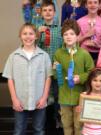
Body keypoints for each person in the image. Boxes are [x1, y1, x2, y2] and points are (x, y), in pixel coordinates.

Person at [2, 23, 52, 135]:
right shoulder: (13, 56)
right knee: (19, 130)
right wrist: (14, 99)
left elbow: (47, 78)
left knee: (39, 130)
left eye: (31, 34)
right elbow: (10, 79)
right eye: (25, 34)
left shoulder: (44, 56)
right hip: (20, 101)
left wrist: (44, 98)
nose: (28, 36)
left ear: (36, 36)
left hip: (39, 100)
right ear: (20, 36)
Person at [53, 19, 94, 135]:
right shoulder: (58, 54)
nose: (68, 37)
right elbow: (56, 76)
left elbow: (91, 72)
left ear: (77, 35)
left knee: (79, 126)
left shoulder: (84, 54)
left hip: (79, 98)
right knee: (66, 125)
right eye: (65, 34)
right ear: (62, 37)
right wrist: (56, 70)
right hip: (64, 97)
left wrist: (80, 78)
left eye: (71, 33)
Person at [37, 0, 62, 128]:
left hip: (57, 69)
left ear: (54, 13)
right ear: (41, 13)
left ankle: (57, 119)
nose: (47, 12)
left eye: (50, 10)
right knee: (44, 94)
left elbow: (64, 48)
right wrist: (38, 34)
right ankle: (44, 122)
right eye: (45, 10)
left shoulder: (60, 30)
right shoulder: (37, 30)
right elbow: (32, 48)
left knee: (57, 94)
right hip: (42, 70)